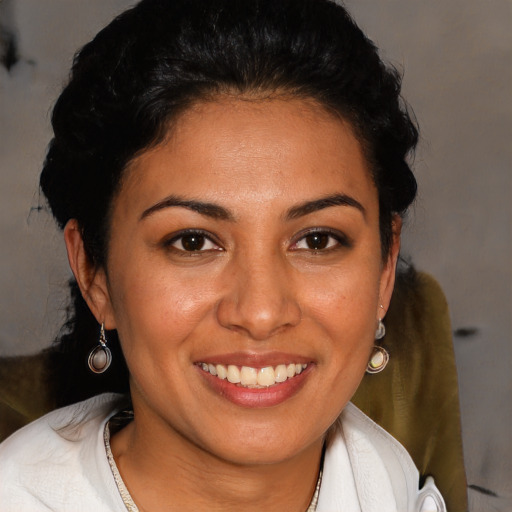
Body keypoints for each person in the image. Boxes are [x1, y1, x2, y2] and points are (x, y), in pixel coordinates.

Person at [0, 0, 447, 510]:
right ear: (93, 273)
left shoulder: (383, 480)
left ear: (385, 269)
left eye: (317, 240)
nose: (260, 313)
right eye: (193, 242)